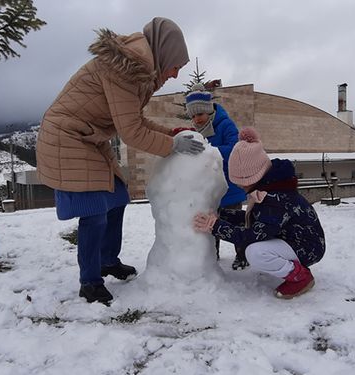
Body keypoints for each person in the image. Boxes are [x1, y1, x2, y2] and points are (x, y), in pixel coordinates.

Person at [36, 17, 204, 305]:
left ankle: (107, 260)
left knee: (117, 198)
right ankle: (90, 281)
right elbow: (132, 133)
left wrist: (171, 132)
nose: (175, 75)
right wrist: (173, 145)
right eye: (176, 66)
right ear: (164, 56)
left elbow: (134, 119)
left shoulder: (137, 71)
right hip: (68, 138)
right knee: (94, 211)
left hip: (89, 137)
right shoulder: (124, 70)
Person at [193, 127, 325, 299]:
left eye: (242, 183)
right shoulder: (271, 189)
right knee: (256, 247)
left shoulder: (275, 201)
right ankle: (291, 267)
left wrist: (215, 226)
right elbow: (256, 220)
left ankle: (300, 277)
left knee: (255, 252)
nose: (240, 187)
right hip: (293, 240)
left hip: (308, 248)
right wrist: (222, 215)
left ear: (253, 177)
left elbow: (251, 235)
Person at [183, 83, 248, 270]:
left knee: (235, 223)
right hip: (209, 189)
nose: (197, 119)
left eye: (200, 114)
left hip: (230, 186)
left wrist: (209, 151)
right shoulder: (196, 132)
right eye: (193, 116)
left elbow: (235, 148)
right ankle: (214, 253)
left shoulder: (225, 124)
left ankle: (242, 255)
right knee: (212, 224)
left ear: (209, 110)